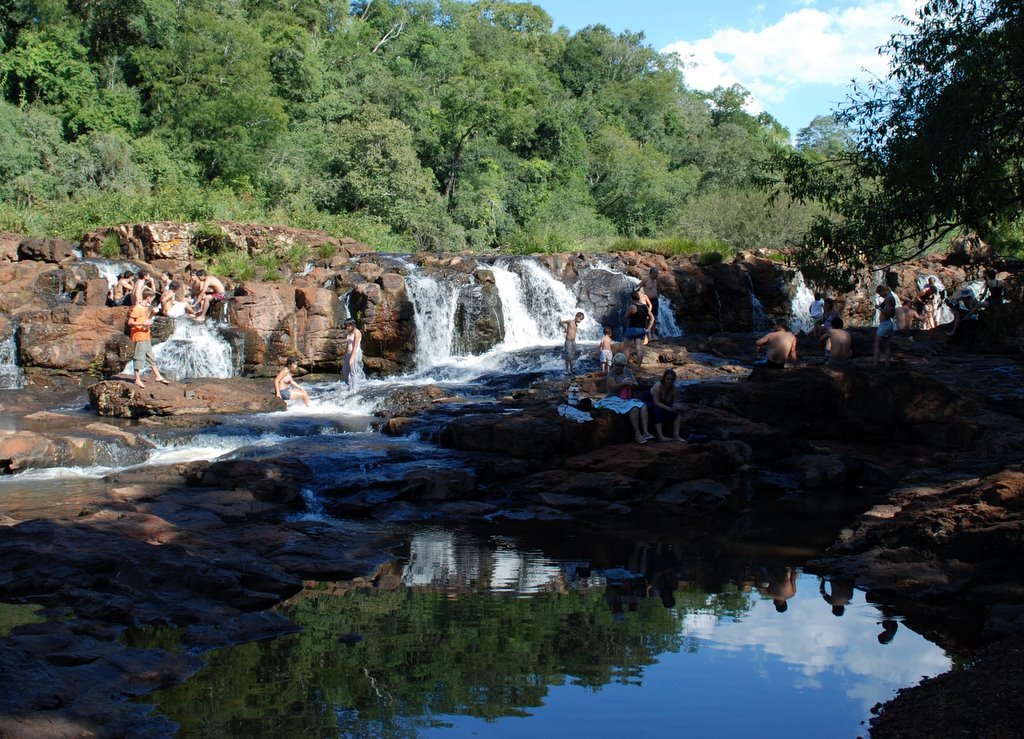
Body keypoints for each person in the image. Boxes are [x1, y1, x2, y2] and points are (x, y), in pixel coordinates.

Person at [593, 352, 654, 444]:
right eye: (616, 365)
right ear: (614, 364)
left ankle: (645, 432)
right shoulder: (611, 374)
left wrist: (631, 384)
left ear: (624, 365)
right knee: (634, 408)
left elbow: (636, 385)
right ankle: (637, 434)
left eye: (620, 365)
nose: (618, 367)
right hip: (614, 397)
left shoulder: (628, 372)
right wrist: (624, 383)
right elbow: (612, 388)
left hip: (628, 397)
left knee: (643, 406)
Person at [127, 290, 170, 388]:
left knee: (150, 356)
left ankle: (158, 376)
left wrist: (152, 315)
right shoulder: (137, 308)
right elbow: (130, 322)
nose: (152, 301)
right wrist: (143, 324)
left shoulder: (146, 308)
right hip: (139, 335)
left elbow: (147, 320)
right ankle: (137, 379)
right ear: (148, 298)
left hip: (146, 334)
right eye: (152, 299)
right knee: (139, 356)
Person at [646, 368, 686, 442]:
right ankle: (660, 436)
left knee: (677, 413)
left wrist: (675, 407)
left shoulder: (675, 389)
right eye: (668, 379)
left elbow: (674, 403)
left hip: (664, 405)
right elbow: (656, 402)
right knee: (657, 410)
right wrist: (670, 409)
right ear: (664, 378)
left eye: (672, 379)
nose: (670, 381)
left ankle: (676, 435)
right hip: (650, 402)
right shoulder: (658, 386)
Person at [624, 288, 652, 366]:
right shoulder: (645, 307)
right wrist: (648, 329)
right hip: (641, 330)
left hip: (632, 329)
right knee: (639, 349)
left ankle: (625, 366)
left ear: (631, 298)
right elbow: (652, 318)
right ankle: (638, 367)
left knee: (626, 348)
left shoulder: (632, 307)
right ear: (638, 297)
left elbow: (626, 317)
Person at [874, 284, 897, 367]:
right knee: (887, 345)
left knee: (877, 344)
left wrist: (879, 308)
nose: (880, 296)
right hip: (890, 324)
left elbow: (887, 312)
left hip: (884, 324)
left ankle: (875, 364)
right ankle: (887, 364)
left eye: (880, 294)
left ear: (883, 290)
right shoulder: (891, 297)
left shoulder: (887, 298)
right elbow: (891, 313)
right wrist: (880, 306)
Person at [342, 318, 363, 392]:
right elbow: (347, 344)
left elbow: (355, 346)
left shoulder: (357, 333)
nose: (347, 327)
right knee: (344, 371)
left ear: (353, 325)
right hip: (348, 354)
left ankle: (355, 389)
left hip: (355, 353)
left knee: (353, 372)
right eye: (346, 326)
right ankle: (350, 386)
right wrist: (345, 354)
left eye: (348, 326)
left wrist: (352, 357)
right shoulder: (349, 333)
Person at [642, 267, 661, 339]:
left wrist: (657, 296)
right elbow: (638, 287)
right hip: (648, 301)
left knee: (654, 318)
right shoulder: (645, 280)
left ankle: (653, 334)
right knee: (647, 318)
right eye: (656, 274)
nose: (657, 275)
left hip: (655, 301)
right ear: (651, 273)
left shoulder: (656, 281)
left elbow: (657, 290)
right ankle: (647, 334)